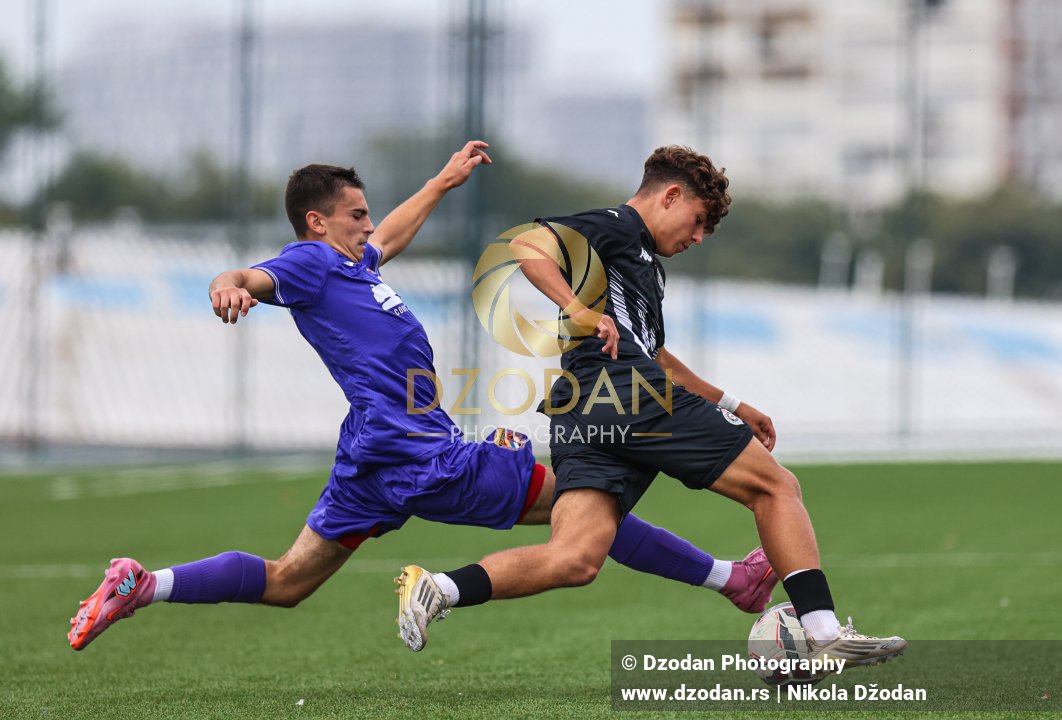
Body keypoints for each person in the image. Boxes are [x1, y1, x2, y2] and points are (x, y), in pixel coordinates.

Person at [67, 141, 778, 652]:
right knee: (583, 506)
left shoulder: (354, 267)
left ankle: (143, 584)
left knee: (288, 582)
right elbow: (256, 275)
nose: (369, 226)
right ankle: (730, 579)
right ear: (318, 222)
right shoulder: (313, 262)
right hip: (413, 451)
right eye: (356, 215)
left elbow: (393, 238)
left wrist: (440, 183)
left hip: (372, 455)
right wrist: (231, 282)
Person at [397, 145, 906, 668]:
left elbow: (655, 356)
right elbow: (528, 246)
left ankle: (438, 588)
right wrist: (575, 307)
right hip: (625, 394)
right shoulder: (617, 226)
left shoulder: (643, 268)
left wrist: (731, 403)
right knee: (776, 486)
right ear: (670, 196)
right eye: (699, 220)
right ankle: (822, 630)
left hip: (584, 410)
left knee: (575, 558)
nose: (698, 237)